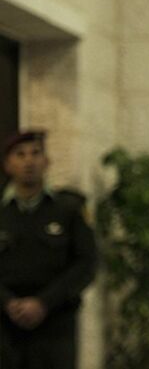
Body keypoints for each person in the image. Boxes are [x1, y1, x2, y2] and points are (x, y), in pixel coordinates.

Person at [0, 130, 97, 369]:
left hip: (55, 328)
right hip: (5, 328)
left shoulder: (69, 208)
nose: (29, 161)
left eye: (36, 153)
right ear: (7, 164)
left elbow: (87, 263)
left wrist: (43, 303)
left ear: (47, 162)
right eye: (20, 154)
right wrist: (8, 302)